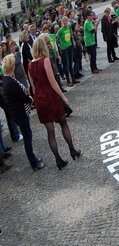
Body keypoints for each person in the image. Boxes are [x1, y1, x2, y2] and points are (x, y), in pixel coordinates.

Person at [27, 36, 80, 169]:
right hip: (50, 97)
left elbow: (33, 87)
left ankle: (58, 160)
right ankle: (72, 150)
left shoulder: (29, 65)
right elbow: (52, 82)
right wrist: (63, 97)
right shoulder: (45, 61)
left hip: (40, 100)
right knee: (63, 123)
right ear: (43, 47)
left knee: (50, 132)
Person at [2, 54, 44, 170]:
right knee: (27, 138)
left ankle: (34, 158)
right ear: (12, 67)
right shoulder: (10, 82)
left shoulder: (7, 79)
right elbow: (22, 97)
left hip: (19, 112)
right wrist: (30, 99)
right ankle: (33, 163)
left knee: (28, 136)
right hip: (20, 114)